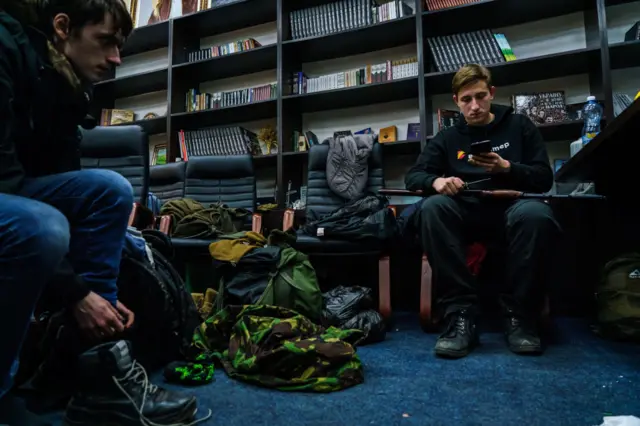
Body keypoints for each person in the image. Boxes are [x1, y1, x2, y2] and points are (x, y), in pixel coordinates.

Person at [0, 1, 200, 424]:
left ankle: (100, 371)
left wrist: (94, 297)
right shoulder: (5, 49)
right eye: (106, 42)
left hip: (17, 197)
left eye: (120, 45)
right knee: (42, 226)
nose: (116, 58)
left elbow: (64, 195)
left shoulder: (65, 85)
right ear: (62, 27)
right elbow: (7, 185)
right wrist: (76, 294)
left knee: (110, 190)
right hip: (6, 192)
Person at [405, 64, 560, 359]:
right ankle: (460, 314)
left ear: (491, 93)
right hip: (465, 216)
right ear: (456, 101)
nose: (474, 106)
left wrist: (508, 167)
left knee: (537, 215)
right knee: (433, 207)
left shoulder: (519, 125)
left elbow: (544, 178)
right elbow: (413, 177)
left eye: (480, 97)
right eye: (466, 100)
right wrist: (436, 181)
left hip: (513, 209)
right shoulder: (447, 138)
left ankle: (520, 317)